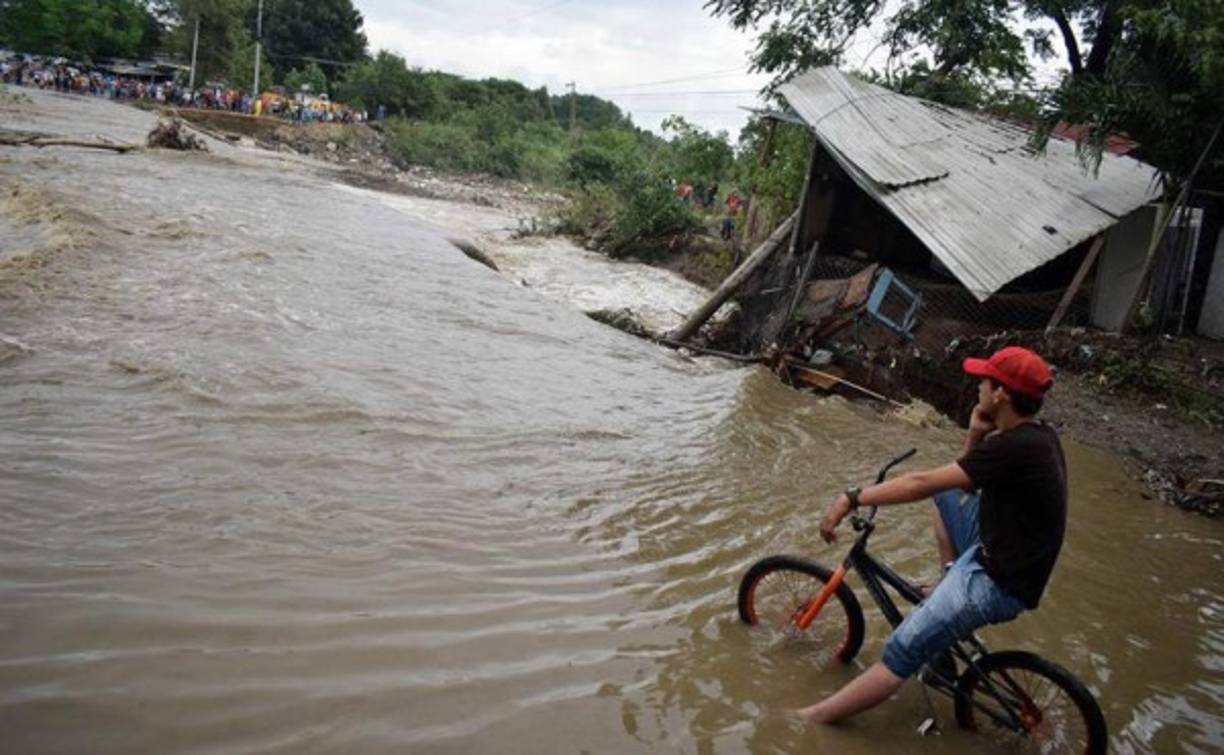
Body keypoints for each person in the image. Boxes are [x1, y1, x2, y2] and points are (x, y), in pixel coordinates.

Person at [801, 345, 1066, 725]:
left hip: (997, 582)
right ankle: (946, 581)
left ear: (1000, 394)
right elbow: (960, 485)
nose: (978, 387)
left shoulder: (1013, 448)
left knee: (899, 653)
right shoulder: (1035, 437)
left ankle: (808, 720)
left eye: (984, 381)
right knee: (944, 497)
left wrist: (852, 498)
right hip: (1006, 553)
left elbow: (919, 483)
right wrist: (975, 433)